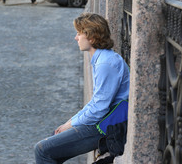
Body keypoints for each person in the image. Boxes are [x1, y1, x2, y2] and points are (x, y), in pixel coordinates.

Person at [34, 13, 130, 163]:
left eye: (79, 34)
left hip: (105, 126)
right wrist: (70, 122)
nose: (76, 38)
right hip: (102, 120)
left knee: (42, 149)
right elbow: (95, 102)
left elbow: (99, 108)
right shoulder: (101, 59)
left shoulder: (105, 63)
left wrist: (71, 124)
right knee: (53, 142)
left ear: (91, 37)